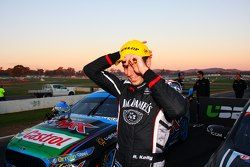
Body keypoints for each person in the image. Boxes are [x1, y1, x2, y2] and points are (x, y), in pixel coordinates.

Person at [83, 40, 188, 167]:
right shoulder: (123, 88)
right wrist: (120, 54)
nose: (128, 73)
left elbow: (179, 110)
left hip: (149, 163)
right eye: (125, 66)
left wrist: (145, 70)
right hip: (120, 161)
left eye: (134, 65)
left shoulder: (162, 89)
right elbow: (90, 70)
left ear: (147, 62)